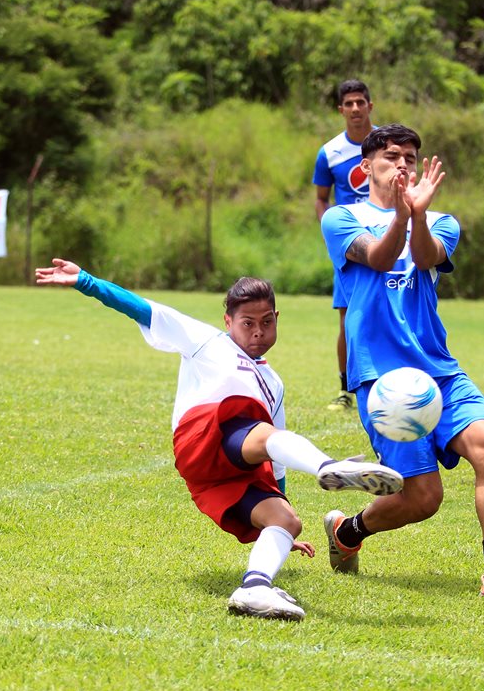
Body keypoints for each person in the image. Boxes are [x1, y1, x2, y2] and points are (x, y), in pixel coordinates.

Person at [35, 257, 404, 621]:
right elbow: (141, 309)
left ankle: (255, 588)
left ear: (277, 320)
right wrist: (84, 281)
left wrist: (278, 514)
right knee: (260, 429)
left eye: (266, 322)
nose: (257, 332)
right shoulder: (207, 341)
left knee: (286, 519)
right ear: (228, 322)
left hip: (220, 474)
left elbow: (274, 461)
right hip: (202, 436)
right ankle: (329, 467)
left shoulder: (274, 384)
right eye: (247, 323)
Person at [319, 124, 484, 607]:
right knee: (423, 499)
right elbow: (379, 259)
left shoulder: (442, 220)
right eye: (391, 157)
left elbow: (423, 257)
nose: (403, 165)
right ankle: (347, 530)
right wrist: (402, 212)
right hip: (382, 378)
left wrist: (416, 215)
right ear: (365, 168)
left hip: (438, 368)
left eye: (411, 158)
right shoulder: (341, 217)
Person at [313, 79, 376, 411]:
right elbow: (321, 200)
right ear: (341, 110)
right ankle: (346, 390)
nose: (355, 109)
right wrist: (333, 236)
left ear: (370, 106)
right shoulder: (330, 153)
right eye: (348, 104)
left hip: (388, 240)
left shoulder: (386, 144)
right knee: (348, 317)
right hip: (351, 249)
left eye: (360, 102)